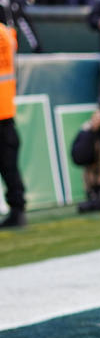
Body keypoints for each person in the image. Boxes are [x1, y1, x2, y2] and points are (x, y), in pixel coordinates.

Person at [0, 20, 26, 228]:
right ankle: (18, 210)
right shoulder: (7, 33)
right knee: (9, 167)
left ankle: (17, 210)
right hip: (7, 110)